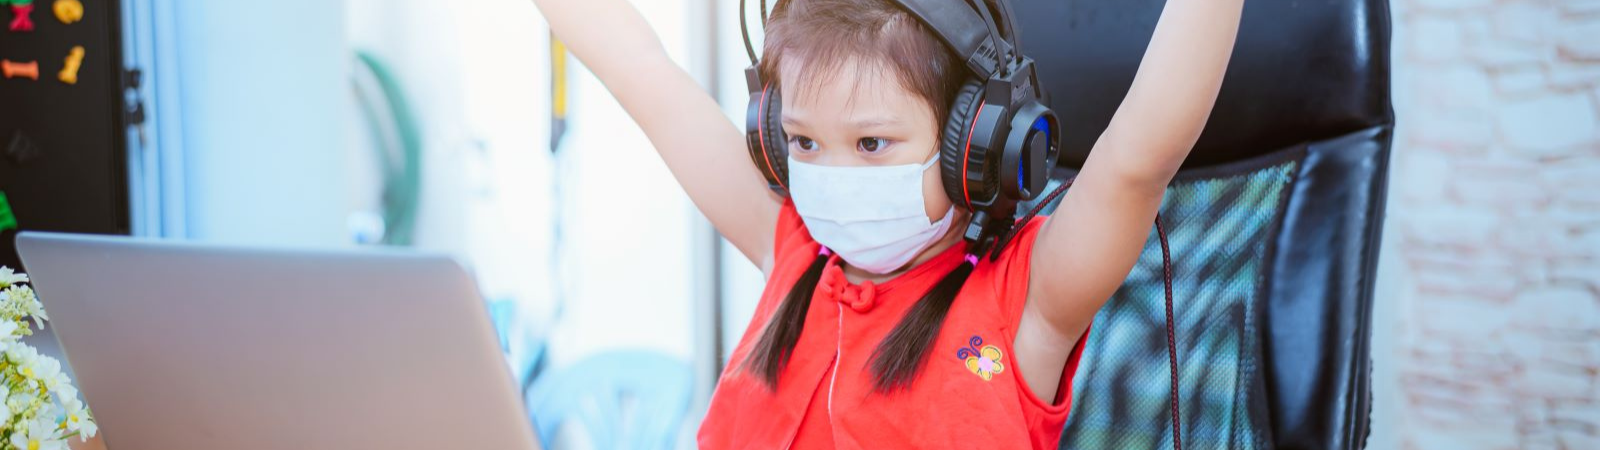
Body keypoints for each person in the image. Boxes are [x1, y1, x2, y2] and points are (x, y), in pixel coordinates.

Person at [528, 0, 1244, 447]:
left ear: (974, 146)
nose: (833, 175)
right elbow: (642, 71)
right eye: (804, 142)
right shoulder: (794, 253)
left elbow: (1138, 158)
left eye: (873, 144)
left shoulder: (1027, 302)